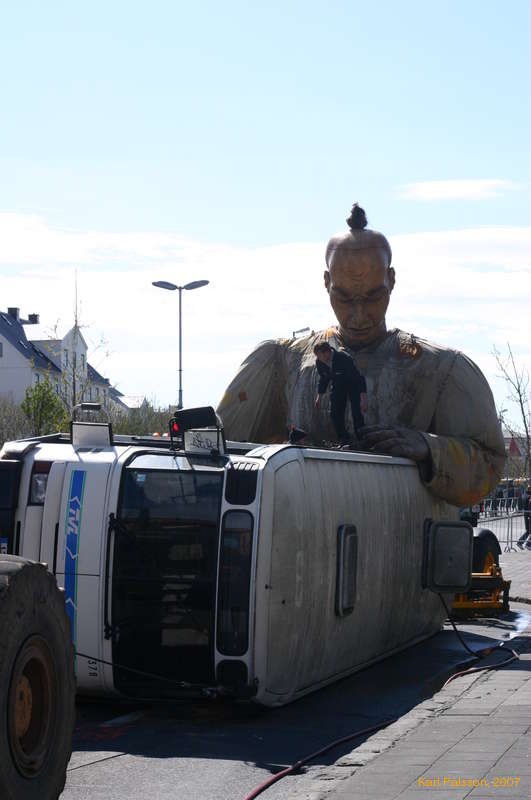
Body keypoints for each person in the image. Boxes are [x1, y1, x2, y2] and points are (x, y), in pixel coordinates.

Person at [217, 204, 505, 507]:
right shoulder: (279, 363)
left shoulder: (442, 371)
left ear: (391, 280)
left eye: (373, 297)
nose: (358, 314)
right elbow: (214, 451)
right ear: (326, 283)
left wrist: (429, 449)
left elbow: (490, 463)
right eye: (343, 298)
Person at [314, 341, 367, 446]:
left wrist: (363, 400)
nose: (318, 358)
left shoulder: (344, 358)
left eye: (319, 356)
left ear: (327, 353)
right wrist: (319, 397)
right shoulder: (320, 362)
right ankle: (344, 439)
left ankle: (362, 439)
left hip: (352, 385)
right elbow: (324, 379)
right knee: (334, 412)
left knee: (356, 412)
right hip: (338, 384)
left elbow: (359, 378)